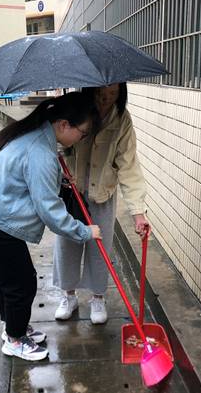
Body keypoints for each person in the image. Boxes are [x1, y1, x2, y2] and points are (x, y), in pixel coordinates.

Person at [0, 92, 102, 362]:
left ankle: (13, 328)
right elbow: (51, 213)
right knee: (22, 282)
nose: (82, 138)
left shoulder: (36, 134)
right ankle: (15, 339)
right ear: (64, 124)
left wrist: (58, 180)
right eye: (83, 133)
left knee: (10, 278)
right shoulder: (41, 151)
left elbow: (26, 176)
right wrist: (86, 231)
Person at [52, 83, 148, 324]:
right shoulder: (77, 109)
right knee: (67, 243)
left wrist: (138, 212)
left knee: (99, 247)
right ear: (90, 90)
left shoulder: (122, 119)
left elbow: (128, 164)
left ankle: (98, 297)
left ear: (121, 93)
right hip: (72, 191)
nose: (106, 99)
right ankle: (68, 296)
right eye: (101, 93)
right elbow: (58, 139)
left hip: (102, 192)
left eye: (113, 94)